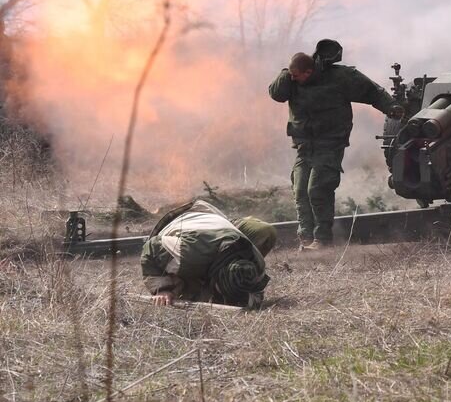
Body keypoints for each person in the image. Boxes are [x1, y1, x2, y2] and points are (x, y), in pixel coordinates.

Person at [268, 39, 403, 249]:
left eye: (296, 76)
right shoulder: (291, 81)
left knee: (318, 189)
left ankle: (322, 240)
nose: (293, 80)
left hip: (330, 143)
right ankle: (306, 238)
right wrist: (287, 74)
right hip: (304, 145)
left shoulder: (339, 78)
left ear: (309, 72)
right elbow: (276, 94)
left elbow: (371, 91)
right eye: (291, 76)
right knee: (300, 190)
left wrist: (391, 107)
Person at [141, 199, 277, 308]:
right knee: (188, 286)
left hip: (219, 223)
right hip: (183, 220)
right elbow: (151, 248)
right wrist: (162, 289)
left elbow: (254, 296)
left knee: (265, 231)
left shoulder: (256, 266)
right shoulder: (190, 257)